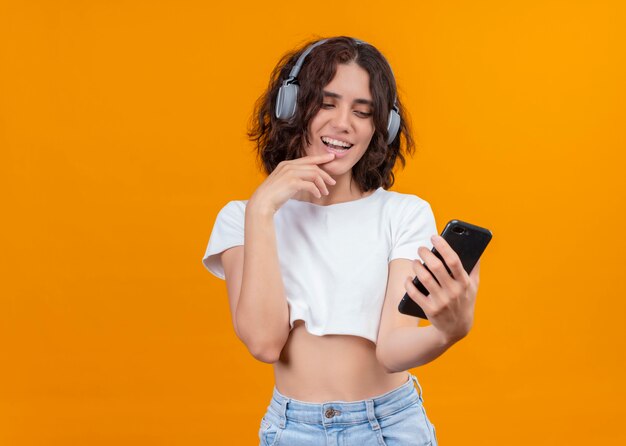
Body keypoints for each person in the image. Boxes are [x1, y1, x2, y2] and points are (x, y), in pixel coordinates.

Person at [202, 36, 480, 446]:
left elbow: (392, 349)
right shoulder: (243, 218)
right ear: (291, 107)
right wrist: (262, 210)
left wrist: (447, 332)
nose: (344, 123)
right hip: (294, 430)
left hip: (392, 425)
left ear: (381, 127)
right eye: (327, 103)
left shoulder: (403, 213)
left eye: (363, 112)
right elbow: (263, 342)